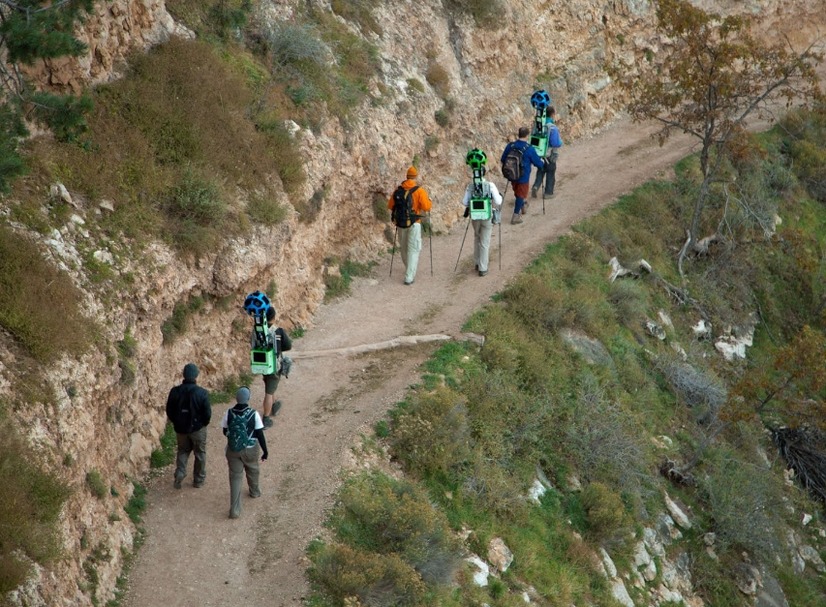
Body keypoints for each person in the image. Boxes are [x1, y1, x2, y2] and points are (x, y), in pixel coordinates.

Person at [221, 387, 268, 519]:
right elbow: (260, 434)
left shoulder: (229, 413)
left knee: (235, 477)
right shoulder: (253, 414)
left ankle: (234, 510)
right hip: (250, 449)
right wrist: (265, 451)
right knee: (253, 469)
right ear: (248, 398)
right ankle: (254, 491)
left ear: (236, 398)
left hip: (233, 450)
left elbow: (225, 431)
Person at [165, 363, 211, 489]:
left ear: (184, 375)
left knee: (183, 450)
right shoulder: (202, 393)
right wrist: (203, 424)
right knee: (200, 453)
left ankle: (180, 472)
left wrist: (176, 422)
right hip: (198, 429)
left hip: (180, 429)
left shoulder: (174, 391)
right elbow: (207, 414)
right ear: (196, 376)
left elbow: (169, 410)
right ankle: (198, 480)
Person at [387, 166, 433, 285]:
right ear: (415, 177)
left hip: (401, 223)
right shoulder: (419, 190)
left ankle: (409, 268)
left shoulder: (399, 190)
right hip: (414, 223)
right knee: (413, 249)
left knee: (404, 248)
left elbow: (390, 205)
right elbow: (426, 207)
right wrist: (430, 200)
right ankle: (409, 276)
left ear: (407, 176)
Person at [253, 306, 292, 428]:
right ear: (274, 318)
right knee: (269, 392)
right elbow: (287, 346)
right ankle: (266, 417)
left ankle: (274, 405)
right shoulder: (278, 331)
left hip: (261, 363)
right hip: (274, 365)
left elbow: (252, 345)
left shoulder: (256, 331)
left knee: (269, 385)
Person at [461, 166, 503, 277]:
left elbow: (465, 202)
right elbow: (498, 201)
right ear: (484, 173)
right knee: (485, 242)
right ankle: (482, 268)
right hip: (486, 216)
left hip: (475, 217)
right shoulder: (490, 185)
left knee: (477, 237)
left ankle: (476, 262)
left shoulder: (470, 186)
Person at [500, 126, 545, 225]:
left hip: (511, 174)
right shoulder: (529, 149)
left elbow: (503, 159)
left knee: (518, 191)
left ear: (518, 134)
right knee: (521, 194)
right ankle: (516, 215)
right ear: (527, 136)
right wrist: (542, 163)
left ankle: (523, 205)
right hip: (523, 176)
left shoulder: (510, 146)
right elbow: (538, 163)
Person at [531, 106, 563, 199]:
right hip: (550, 155)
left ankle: (536, 186)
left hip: (539, 154)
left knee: (541, 170)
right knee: (550, 172)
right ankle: (548, 193)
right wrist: (561, 142)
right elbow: (555, 143)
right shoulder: (552, 127)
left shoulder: (538, 125)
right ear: (552, 114)